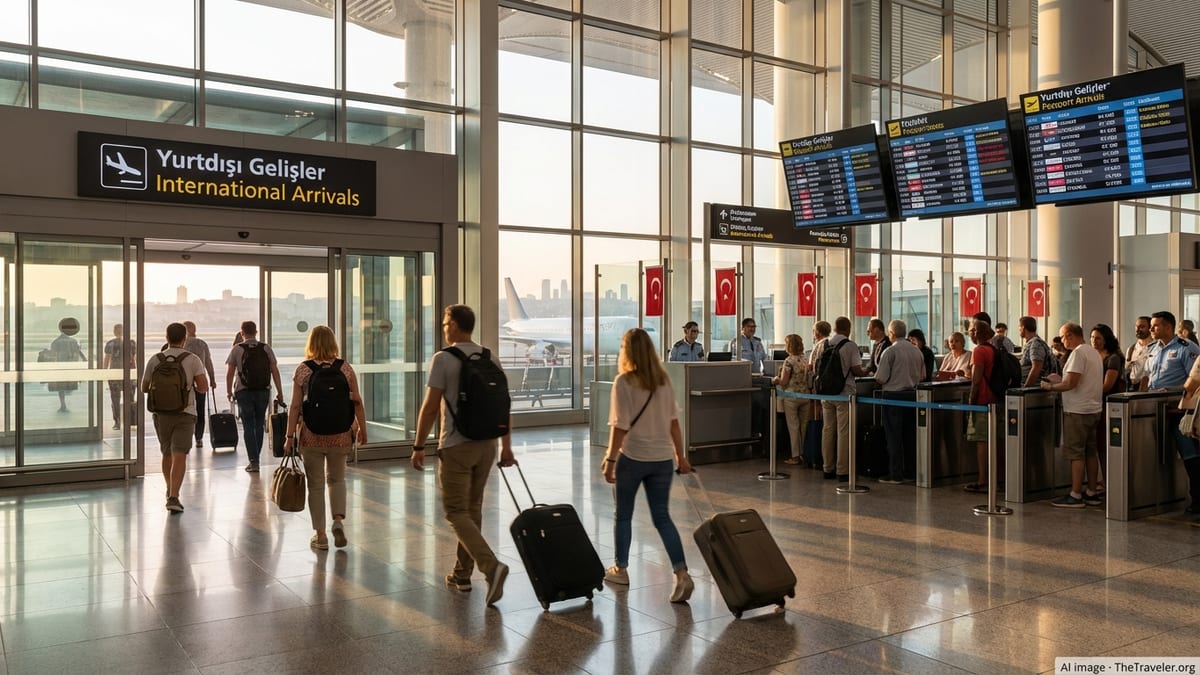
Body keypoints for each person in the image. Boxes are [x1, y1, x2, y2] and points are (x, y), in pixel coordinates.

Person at [412, 304, 515, 606]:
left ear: (455, 326)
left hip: (456, 445)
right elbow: (503, 404)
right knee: (473, 509)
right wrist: (506, 446)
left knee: (456, 512)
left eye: (445, 323)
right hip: (487, 445)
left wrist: (419, 445)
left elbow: (431, 407)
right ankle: (462, 574)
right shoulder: (488, 356)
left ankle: (491, 567)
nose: (444, 327)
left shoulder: (444, 359)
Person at [600, 327, 695, 602]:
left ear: (626, 351)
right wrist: (681, 456)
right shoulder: (663, 380)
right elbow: (674, 424)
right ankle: (682, 573)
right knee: (662, 517)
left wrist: (610, 459)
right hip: (663, 459)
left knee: (623, 515)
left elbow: (619, 427)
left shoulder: (623, 382)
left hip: (633, 458)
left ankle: (621, 568)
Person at [282, 326, 367, 550]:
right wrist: (363, 429)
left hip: (311, 435)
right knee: (338, 480)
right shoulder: (345, 368)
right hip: (341, 435)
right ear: (333, 342)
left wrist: (289, 436)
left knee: (316, 485)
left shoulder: (303, 370)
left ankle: (320, 536)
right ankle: (338, 521)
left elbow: (295, 407)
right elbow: (357, 401)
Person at [141, 322, 208, 514]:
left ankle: (170, 490)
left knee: (167, 453)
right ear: (184, 338)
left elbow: (144, 388)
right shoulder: (193, 359)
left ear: (166, 337)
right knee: (180, 454)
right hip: (185, 413)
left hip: (161, 413)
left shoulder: (156, 359)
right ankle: (173, 496)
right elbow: (203, 387)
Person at [1043, 322, 1105, 508]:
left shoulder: (1078, 353)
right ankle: (1091, 491)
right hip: (1093, 409)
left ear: (1070, 335)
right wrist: (1061, 380)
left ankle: (1075, 494)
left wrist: (1050, 386)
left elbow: (1071, 383)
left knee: (1076, 453)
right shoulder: (1093, 351)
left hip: (1077, 411)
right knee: (1090, 451)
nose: (1062, 341)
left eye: (1062, 337)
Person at [225, 320, 285, 473]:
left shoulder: (237, 349)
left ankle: (254, 461)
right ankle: (255, 458)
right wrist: (280, 391)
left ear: (242, 332)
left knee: (248, 425)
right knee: (259, 424)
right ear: (256, 332)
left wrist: (228, 391)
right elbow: (274, 370)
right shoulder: (265, 348)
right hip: (262, 390)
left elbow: (230, 372)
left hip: (243, 391)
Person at [874, 319, 925, 483]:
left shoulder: (890, 351)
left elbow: (880, 377)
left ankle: (895, 474)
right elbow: (922, 375)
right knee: (910, 436)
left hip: (893, 396)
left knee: (893, 437)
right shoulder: (917, 351)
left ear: (891, 334)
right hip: (912, 395)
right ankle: (910, 472)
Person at [820, 316, 867, 480]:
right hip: (844, 393)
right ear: (848, 329)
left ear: (834, 328)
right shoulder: (850, 345)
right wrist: (866, 370)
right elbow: (856, 370)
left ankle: (827, 468)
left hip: (826, 393)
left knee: (827, 430)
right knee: (843, 432)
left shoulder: (824, 344)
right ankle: (843, 470)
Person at [963, 318, 1001, 493]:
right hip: (996, 399)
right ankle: (997, 478)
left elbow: (976, 380)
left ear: (977, 332)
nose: (969, 332)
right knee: (995, 441)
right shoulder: (994, 349)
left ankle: (982, 480)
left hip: (983, 401)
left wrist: (971, 402)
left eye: (970, 330)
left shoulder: (978, 351)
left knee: (982, 442)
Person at [1090, 323, 1125, 494]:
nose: (1094, 341)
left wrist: (1088, 390)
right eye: (1092, 338)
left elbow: (1107, 385)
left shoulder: (1113, 358)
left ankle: (1110, 480)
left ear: (1106, 340)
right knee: (1097, 445)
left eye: (1098, 338)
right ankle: (1102, 479)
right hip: (1094, 404)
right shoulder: (1092, 356)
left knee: (1106, 444)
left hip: (1107, 405)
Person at [772, 333, 810, 465]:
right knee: (804, 427)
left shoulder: (789, 361)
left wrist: (775, 379)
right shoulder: (806, 359)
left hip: (791, 397)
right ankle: (805, 453)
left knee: (793, 427)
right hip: (806, 396)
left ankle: (795, 456)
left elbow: (784, 381)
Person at [183, 321, 217, 449]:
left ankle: (187, 436)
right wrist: (212, 379)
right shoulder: (202, 344)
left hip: (185, 382)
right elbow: (208, 362)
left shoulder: (182, 344)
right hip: (200, 381)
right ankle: (199, 438)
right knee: (200, 410)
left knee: (186, 409)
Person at [45, 317, 86, 413]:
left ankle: (63, 404)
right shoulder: (73, 341)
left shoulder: (56, 342)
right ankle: (66, 404)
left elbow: (52, 355)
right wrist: (84, 360)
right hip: (71, 366)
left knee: (61, 388)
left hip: (60, 366)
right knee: (68, 385)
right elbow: (78, 352)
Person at [102, 323, 136, 430]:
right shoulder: (131, 343)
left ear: (114, 332)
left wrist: (104, 373)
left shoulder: (110, 343)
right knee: (130, 398)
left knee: (115, 399)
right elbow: (133, 360)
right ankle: (130, 421)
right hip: (129, 374)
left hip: (114, 374)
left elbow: (107, 360)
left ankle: (117, 422)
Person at [1018, 316, 1055, 386]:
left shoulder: (1035, 344)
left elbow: (1036, 367)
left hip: (1034, 389)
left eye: (1019, 327)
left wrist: (1026, 388)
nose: (1019, 329)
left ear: (1023, 327)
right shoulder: (1032, 343)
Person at [1127, 315, 1153, 391]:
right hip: (1132, 387)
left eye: (1142, 327)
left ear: (1150, 328)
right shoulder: (1131, 348)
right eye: (1136, 327)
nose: (1138, 330)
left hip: (1148, 388)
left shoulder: (1155, 348)